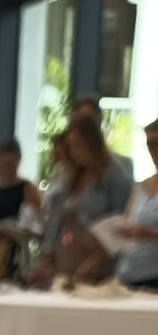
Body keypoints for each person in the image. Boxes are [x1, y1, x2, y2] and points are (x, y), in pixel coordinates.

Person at [35, 114, 132, 286]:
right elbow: (56, 221)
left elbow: (120, 224)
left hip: (97, 265)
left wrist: (96, 260)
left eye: (78, 145)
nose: (74, 153)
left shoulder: (114, 176)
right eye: (70, 147)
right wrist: (47, 257)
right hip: (65, 260)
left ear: (92, 143)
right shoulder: (71, 176)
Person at [0, 139, 43, 282]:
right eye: (0, 165)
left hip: (18, 255)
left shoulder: (28, 189)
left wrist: (10, 229)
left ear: (18, 162)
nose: (4, 170)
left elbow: (37, 228)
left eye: (9, 165)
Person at [117, 119, 158, 292]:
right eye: (149, 145)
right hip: (130, 274)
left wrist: (148, 234)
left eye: (156, 144)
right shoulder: (140, 186)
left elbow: (142, 232)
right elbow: (126, 222)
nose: (153, 150)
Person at [70, 94, 134, 184]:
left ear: (99, 120)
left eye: (88, 122)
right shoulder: (67, 166)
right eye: (76, 121)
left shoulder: (122, 165)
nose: (82, 127)